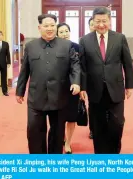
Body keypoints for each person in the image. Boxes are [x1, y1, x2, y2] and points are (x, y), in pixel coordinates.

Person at [16, 14, 81, 154]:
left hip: (59, 96)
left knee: (57, 134)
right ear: (39, 28)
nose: (50, 28)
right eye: (46, 26)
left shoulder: (66, 45)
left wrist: (76, 82)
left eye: (52, 25)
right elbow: (24, 70)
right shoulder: (31, 46)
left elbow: (75, 65)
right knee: (34, 132)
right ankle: (38, 164)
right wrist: (20, 91)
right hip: (36, 97)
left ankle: (53, 164)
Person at [79, 7, 133, 154]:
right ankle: (100, 155)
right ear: (92, 21)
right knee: (98, 126)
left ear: (110, 21)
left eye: (104, 21)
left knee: (117, 124)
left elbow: (127, 63)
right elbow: (83, 67)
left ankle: (114, 154)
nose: (101, 24)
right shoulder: (85, 40)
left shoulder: (119, 38)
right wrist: (82, 88)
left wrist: (129, 85)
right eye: (98, 21)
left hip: (115, 88)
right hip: (95, 89)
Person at [56, 22, 80, 154]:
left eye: (66, 31)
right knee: (59, 117)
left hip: (73, 87)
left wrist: (81, 87)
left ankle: (68, 143)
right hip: (58, 88)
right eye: (61, 32)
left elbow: (81, 68)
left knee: (71, 117)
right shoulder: (53, 47)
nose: (64, 34)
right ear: (57, 34)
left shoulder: (77, 47)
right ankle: (63, 138)